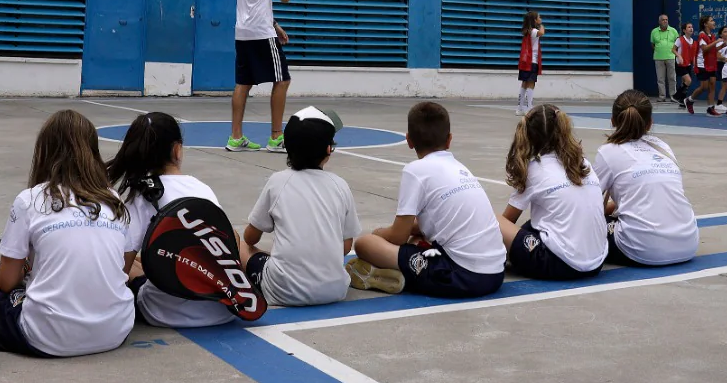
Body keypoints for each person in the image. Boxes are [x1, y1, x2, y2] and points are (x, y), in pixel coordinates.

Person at [0, 109, 134, 357]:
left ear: (44, 152)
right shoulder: (113, 200)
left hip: (48, 337)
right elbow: (121, 269)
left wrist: (28, 268)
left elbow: (6, 282)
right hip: (116, 329)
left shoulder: (31, 200)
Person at [347, 102, 505, 299]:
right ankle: (407, 270)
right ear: (449, 140)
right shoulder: (460, 168)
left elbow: (397, 237)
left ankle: (396, 273)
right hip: (496, 273)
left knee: (365, 244)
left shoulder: (415, 171)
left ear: (409, 140)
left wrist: (378, 232)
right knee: (417, 239)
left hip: (463, 278)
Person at [109, 111, 237, 328]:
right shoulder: (200, 188)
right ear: (177, 149)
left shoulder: (140, 197)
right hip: (220, 309)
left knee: (129, 265)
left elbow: (120, 270)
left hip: (165, 313)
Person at [240, 107, 362, 307]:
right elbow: (345, 247)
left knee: (239, 243)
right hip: (335, 289)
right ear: (328, 150)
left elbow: (250, 237)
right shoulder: (340, 185)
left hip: (284, 291)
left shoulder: (278, 182)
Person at [500, 104, 607, 280]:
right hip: (596, 262)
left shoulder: (534, 169)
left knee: (495, 221)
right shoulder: (582, 162)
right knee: (533, 223)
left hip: (561, 264)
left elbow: (507, 221)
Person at [594, 91, 699, 267]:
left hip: (644, 250)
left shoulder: (608, 151)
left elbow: (588, 203)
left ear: (612, 121)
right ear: (650, 124)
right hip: (688, 243)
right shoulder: (662, 147)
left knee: (587, 227)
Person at [228, 0, 292, 152]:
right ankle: (276, 138)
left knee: (243, 83)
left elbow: (253, 1)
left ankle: (235, 137)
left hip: (243, 32)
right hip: (261, 35)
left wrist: (275, 24)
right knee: (282, 80)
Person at [693, 16, 724, 116]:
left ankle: (710, 108)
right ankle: (689, 99)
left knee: (712, 85)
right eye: (711, 21)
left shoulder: (712, 35)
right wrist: (716, 42)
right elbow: (705, 48)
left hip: (711, 64)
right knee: (704, 87)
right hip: (703, 64)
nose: (714, 22)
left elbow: (713, 50)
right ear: (705, 24)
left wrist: (722, 46)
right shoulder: (702, 35)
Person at [515, 10, 544, 114]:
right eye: (539, 17)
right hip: (532, 61)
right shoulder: (534, 31)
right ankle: (529, 107)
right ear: (535, 20)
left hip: (525, 61)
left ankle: (519, 107)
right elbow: (542, 32)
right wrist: (540, 25)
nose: (541, 18)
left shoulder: (527, 30)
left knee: (524, 83)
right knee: (531, 83)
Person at [650, 13, 679, 102]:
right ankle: (662, 96)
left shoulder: (673, 31)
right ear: (659, 21)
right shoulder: (654, 31)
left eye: (666, 19)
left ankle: (673, 96)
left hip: (671, 57)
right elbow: (652, 44)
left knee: (672, 78)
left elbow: (677, 44)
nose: (665, 21)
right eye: (663, 20)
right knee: (660, 78)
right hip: (658, 57)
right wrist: (659, 50)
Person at [675, 22, 699, 107]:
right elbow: (673, 50)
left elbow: (693, 55)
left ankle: (682, 101)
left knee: (685, 83)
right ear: (684, 30)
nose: (691, 28)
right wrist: (679, 56)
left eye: (692, 27)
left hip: (688, 64)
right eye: (689, 27)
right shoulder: (680, 39)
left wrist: (694, 65)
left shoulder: (694, 42)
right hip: (680, 64)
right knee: (688, 81)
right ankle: (676, 96)